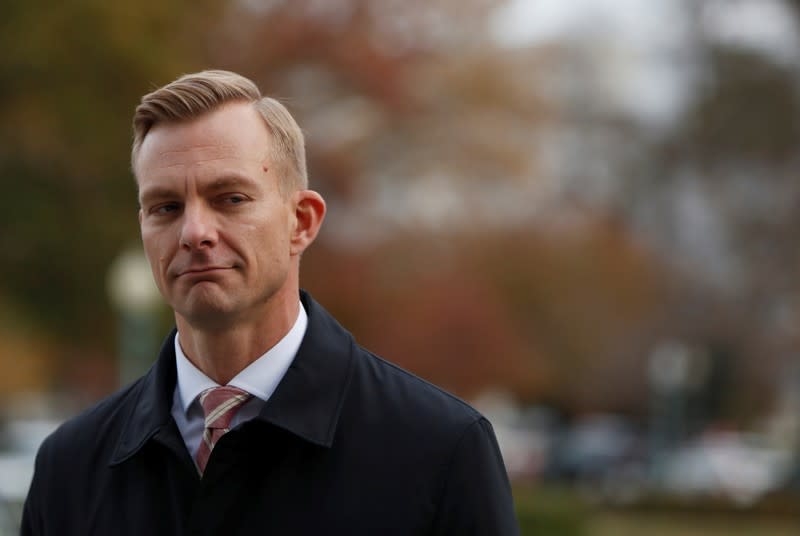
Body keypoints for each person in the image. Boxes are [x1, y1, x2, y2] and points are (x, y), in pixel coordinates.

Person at [21, 70, 519, 535]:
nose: (194, 232)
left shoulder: (440, 450)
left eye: (230, 198)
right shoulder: (69, 468)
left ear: (301, 221)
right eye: (166, 207)